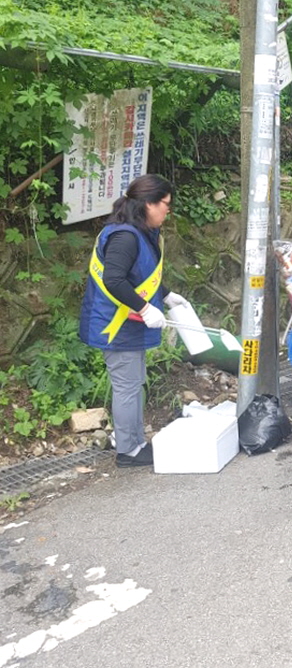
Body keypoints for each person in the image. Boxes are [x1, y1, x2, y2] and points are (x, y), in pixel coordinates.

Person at [79, 174, 188, 467]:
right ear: (148, 204)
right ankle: (128, 450)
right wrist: (145, 308)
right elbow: (114, 280)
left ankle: (137, 442)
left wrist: (164, 296)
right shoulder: (125, 236)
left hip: (129, 322)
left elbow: (138, 275)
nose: (168, 210)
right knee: (127, 386)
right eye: (165, 204)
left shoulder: (140, 231)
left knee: (134, 383)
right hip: (115, 325)